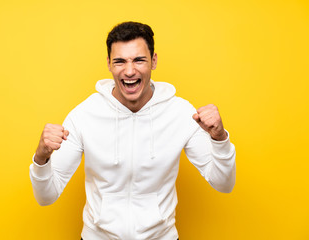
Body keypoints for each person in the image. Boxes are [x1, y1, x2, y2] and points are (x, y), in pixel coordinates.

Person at [29, 21, 236, 240]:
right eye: (120, 61)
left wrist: (219, 138)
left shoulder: (182, 113)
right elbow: (46, 197)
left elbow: (224, 184)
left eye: (139, 60)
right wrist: (41, 157)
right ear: (109, 64)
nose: (129, 71)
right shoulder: (84, 115)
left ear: (154, 61)